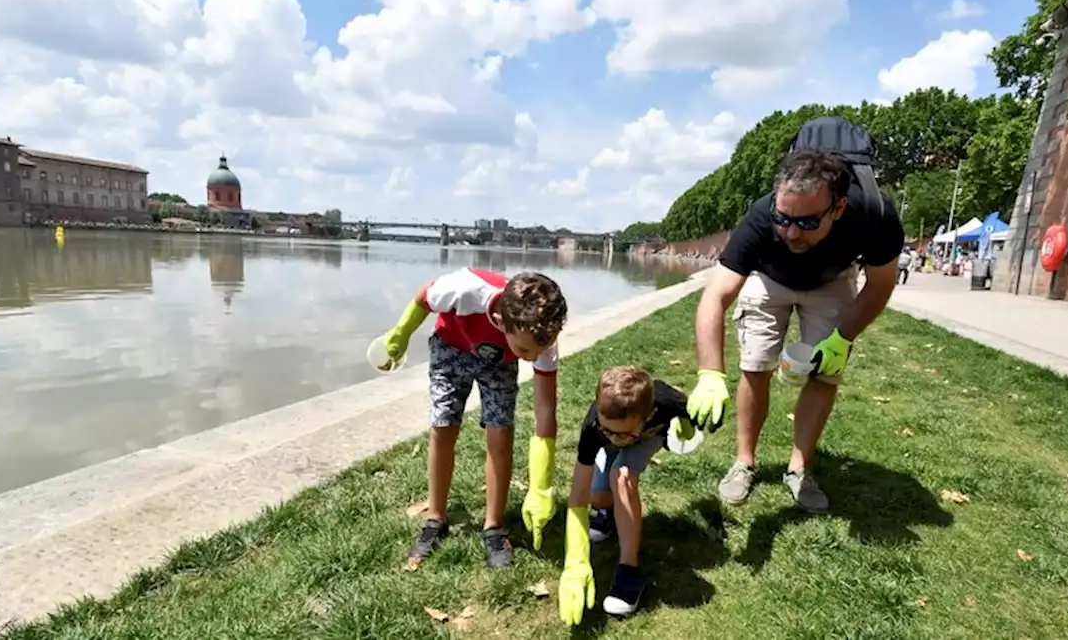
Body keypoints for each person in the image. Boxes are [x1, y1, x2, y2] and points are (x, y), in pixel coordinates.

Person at [686, 148, 904, 513]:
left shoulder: (873, 215)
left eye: (805, 223)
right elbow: (715, 296)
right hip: (769, 278)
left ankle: (799, 469)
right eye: (783, 218)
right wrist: (709, 373)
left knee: (825, 374)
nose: (790, 231)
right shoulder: (760, 216)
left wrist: (842, 338)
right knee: (755, 366)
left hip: (832, 280)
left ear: (837, 209)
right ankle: (744, 461)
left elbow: (881, 285)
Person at [378, 268, 568, 569]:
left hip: (498, 366)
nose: (532, 358)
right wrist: (401, 334)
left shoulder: (540, 338)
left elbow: (545, 410)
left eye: (538, 352)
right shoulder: (466, 289)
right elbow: (424, 296)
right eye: (524, 351)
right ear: (500, 321)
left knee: (500, 433)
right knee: (443, 426)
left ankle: (493, 526)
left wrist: (541, 486)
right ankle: (435, 519)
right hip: (451, 349)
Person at [557, 366, 695, 625]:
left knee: (621, 475)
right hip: (614, 445)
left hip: (647, 439)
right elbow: (577, 495)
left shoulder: (666, 401)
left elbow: (690, 414)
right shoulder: (595, 427)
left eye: (621, 432)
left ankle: (629, 570)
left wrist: (684, 431)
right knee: (597, 497)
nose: (612, 435)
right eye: (607, 428)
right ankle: (609, 513)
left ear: (649, 414)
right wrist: (575, 561)